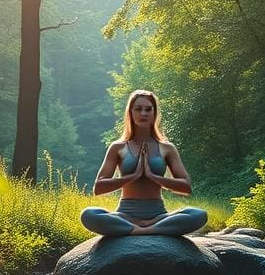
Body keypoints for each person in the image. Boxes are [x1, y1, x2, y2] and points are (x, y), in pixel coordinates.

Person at [81, 90, 208, 237]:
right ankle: (150, 230)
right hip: (125, 215)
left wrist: (153, 176)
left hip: (158, 216)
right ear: (130, 112)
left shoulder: (167, 148)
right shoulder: (118, 147)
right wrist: (132, 176)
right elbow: (99, 188)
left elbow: (185, 187)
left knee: (198, 214)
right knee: (88, 214)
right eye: (138, 109)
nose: (143, 113)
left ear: (154, 113)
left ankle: (140, 230)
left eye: (148, 109)